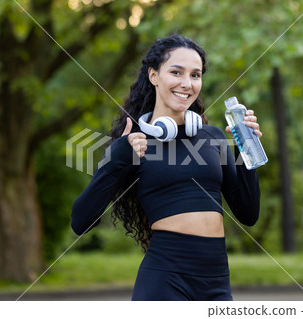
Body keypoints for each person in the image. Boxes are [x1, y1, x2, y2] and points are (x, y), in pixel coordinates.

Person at [71, 34, 262, 301]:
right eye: (176, 72)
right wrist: (118, 157)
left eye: (195, 75)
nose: (187, 83)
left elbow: (248, 213)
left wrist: (245, 150)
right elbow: (81, 221)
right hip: (165, 281)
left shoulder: (213, 137)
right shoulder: (133, 144)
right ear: (154, 76)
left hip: (217, 282)